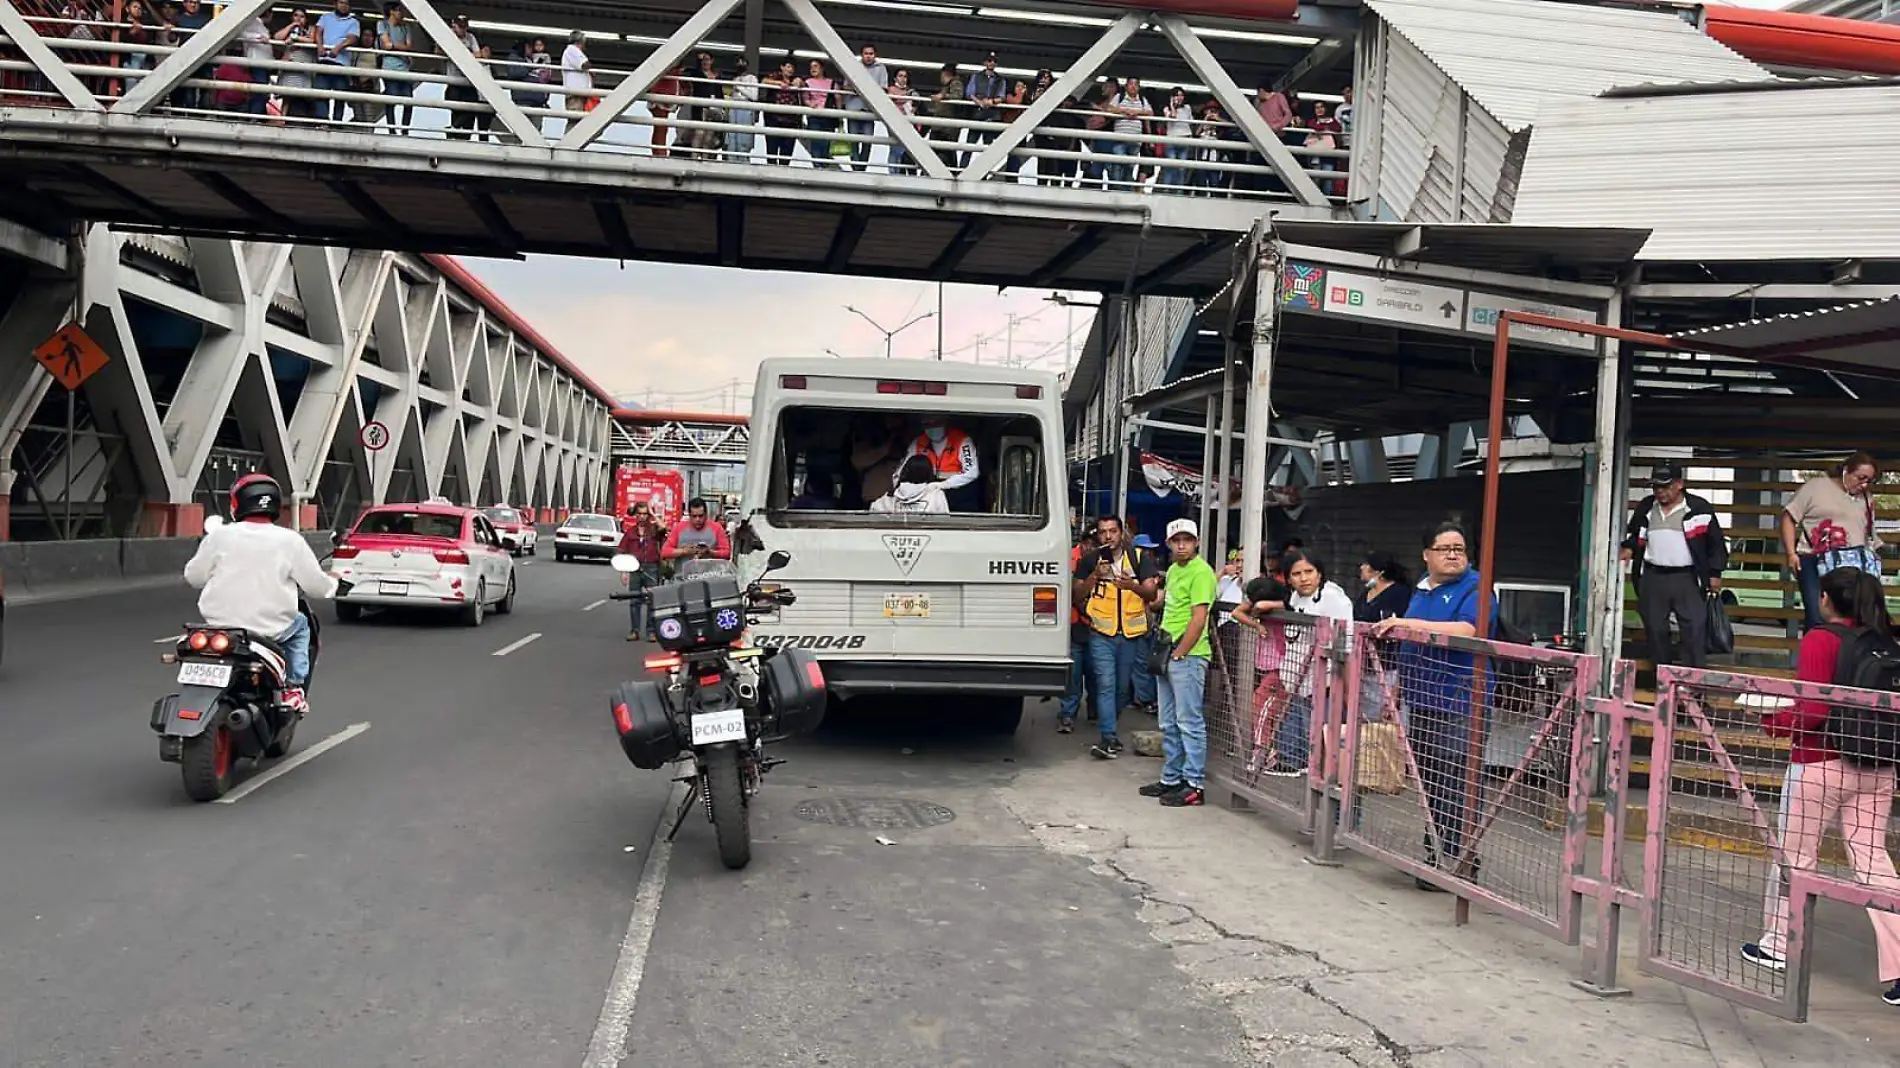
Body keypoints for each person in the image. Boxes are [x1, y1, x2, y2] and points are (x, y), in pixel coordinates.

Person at [1742, 566, 1900, 1007]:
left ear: (1828, 600)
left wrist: (1773, 722)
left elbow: (1812, 709)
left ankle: (1779, 943)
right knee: (1873, 861)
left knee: (1795, 857)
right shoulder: (1887, 642)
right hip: (1878, 765)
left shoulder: (1820, 639)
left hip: (1819, 763)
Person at [1368, 521, 1498, 892]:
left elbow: (1470, 630)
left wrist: (1406, 623)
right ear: (1427, 555)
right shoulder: (1423, 590)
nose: (1454, 554)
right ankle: (1436, 854)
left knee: (1457, 781)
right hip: (1422, 698)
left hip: (1462, 701)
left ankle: (1459, 860)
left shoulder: (1475, 587)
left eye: (1459, 548)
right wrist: (1397, 693)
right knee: (1430, 781)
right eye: (1445, 548)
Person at [182, 474, 337, 714]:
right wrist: (333, 584)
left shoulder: (219, 536)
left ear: (237, 504)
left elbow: (194, 578)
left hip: (218, 627)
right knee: (301, 624)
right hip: (269, 629)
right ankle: (293, 688)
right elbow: (317, 587)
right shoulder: (290, 541)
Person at [1137, 518, 1217, 807]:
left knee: (1189, 721)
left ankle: (1193, 783)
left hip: (1188, 655)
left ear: (1196, 542)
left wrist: (1181, 652)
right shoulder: (1172, 570)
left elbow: (1199, 619)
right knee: (1168, 721)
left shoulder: (1202, 573)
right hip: (1167, 651)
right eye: (1176, 540)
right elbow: (1169, 604)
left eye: (1187, 539)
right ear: (1169, 544)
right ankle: (1171, 778)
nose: (1182, 545)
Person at [1621, 462, 1728, 667]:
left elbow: (1716, 543)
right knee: (1655, 630)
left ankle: (1692, 690)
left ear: (1679, 484)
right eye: (1656, 487)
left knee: (1694, 630)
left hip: (1687, 577)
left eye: (1665, 486)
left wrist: (1715, 572)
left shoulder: (1699, 508)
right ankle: (1663, 684)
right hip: (1653, 576)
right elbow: (1635, 535)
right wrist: (1628, 548)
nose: (1659, 492)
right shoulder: (1647, 507)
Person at [1074, 515, 1161, 759]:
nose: (1108, 536)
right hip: (1101, 633)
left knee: (1122, 690)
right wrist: (1094, 577)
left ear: (1122, 533)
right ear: (1098, 535)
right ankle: (1108, 737)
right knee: (1106, 685)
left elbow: (1152, 593)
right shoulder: (1090, 560)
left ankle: (1109, 725)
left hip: (1131, 635)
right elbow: (1076, 594)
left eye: (1113, 531)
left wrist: (1132, 586)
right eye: (1103, 532)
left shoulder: (1139, 558)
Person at [1267, 549, 1354, 775]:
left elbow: (1346, 646)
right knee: (1308, 736)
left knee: (1326, 742)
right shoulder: (1294, 598)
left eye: (1309, 572)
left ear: (1320, 573)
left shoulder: (1333, 598)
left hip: (1326, 683)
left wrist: (1349, 691)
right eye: (1296, 574)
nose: (1304, 578)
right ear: (1287, 578)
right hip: (1300, 683)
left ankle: (1331, 789)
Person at [1782, 452, 1882, 631]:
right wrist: (1791, 554)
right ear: (1846, 470)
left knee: (1853, 619)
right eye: (1861, 478)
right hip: (1814, 560)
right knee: (1817, 617)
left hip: (1852, 566)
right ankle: (1815, 656)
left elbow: (1869, 534)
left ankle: (1844, 657)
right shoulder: (1816, 487)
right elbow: (1788, 517)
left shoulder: (1867, 498)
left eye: (1870, 480)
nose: (1864, 484)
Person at [1057, 523, 1100, 734]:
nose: (1090, 548)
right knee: (1073, 676)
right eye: (1087, 543)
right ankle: (1067, 715)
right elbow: (1072, 594)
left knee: (1095, 673)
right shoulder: (1070, 560)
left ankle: (1094, 711)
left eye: (1094, 545)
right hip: (1075, 625)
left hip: (1096, 627)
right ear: (1081, 544)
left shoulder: (1105, 562)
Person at [905, 416, 980, 511]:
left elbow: (972, 472)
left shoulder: (962, 440)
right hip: (928, 495)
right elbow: (903, 470)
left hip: (959, 495)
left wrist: (944, 485)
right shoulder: (918, 442)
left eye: (937, 423)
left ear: (945, 422)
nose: (933, 427)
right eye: (927, 424)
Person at [617, 507, 663, 642]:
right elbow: (622, 551)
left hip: (651, 568)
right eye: (640, 514)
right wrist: (623, 571)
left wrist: (653, 513)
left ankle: (651, 632)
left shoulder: (654, 530)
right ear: (636, 515)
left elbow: (664, 527)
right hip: (634, 568)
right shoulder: (630, 532)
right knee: (634, 600)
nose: (642, 517)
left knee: (652, 600)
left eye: (645, 514)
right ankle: (634, 631)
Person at [869, 455, 949, 514]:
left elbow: (874, 509)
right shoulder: (936, 494)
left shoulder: (892, 495)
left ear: (905, 471)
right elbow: (945, 521)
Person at [662, 497, 732, 562]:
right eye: (694, 516)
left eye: (700, 516)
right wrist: (684, 551)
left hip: (709, 574)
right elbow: (665, 552)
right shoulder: (679, 528)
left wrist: (710, 552)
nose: (697, 519)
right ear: (689, 515)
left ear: (706, 514)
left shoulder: (717, 528)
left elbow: (727, 553)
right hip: (683, 574)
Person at [1355, 551, 1412, 624]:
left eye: (1366, 564)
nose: (1361, 567)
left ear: (1378, 571)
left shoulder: (1399, 592)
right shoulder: (1366, 593)